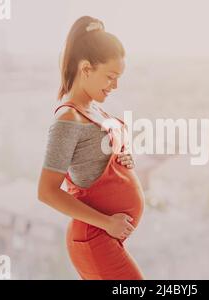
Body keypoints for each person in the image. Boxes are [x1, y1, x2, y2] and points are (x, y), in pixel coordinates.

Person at [37, 16, 145, 280]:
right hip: (94, 238)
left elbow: (95, 157)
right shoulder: (67, 120)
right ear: (86, 69)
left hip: (106, 236)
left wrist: (123, 156)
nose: (115, 85)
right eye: (110, 77)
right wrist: (108, 223)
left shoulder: (94, 109)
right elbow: (46, 192)